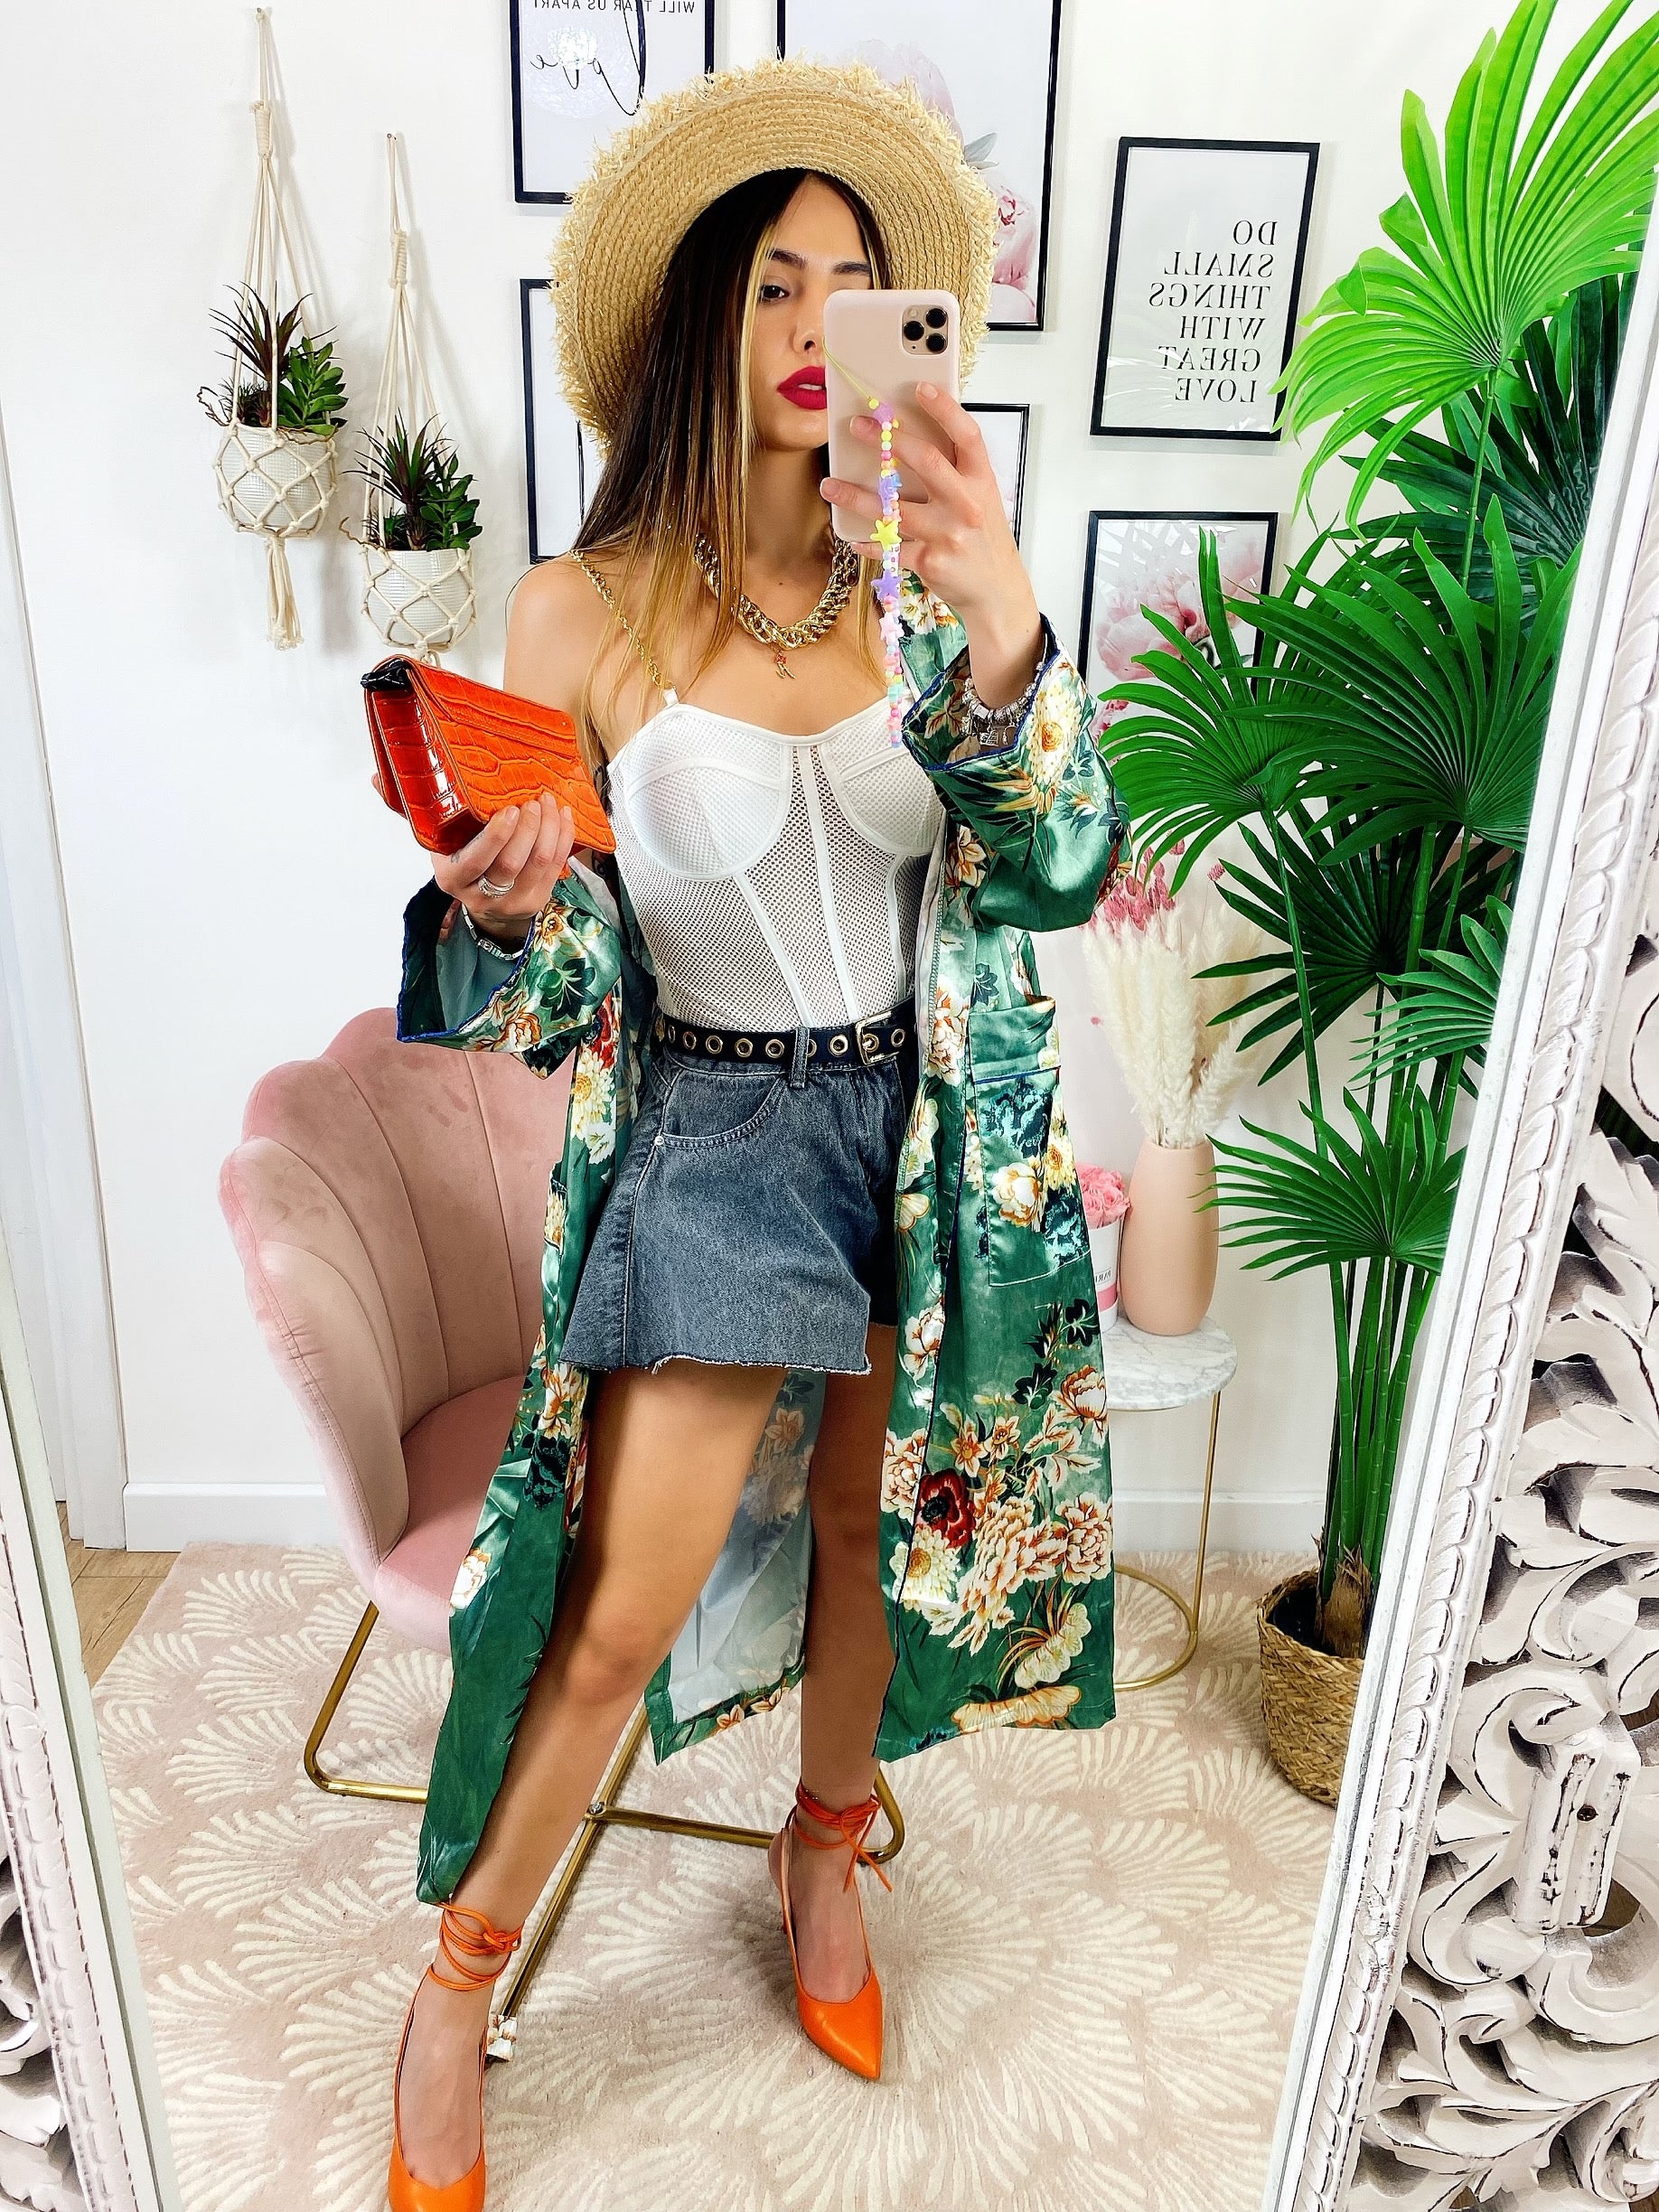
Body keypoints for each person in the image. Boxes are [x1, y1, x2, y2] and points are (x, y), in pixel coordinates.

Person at [386, 56, 1127, 2212]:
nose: (820, 326)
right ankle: (458, 1981)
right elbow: (555, 989)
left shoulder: (929, 585)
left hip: (932, 1137)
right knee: (625, 1607)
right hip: (715, 1132)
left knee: (877, 1533)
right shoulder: (581, 610)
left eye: (858, 288)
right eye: (778, 283)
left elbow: (1060, 868)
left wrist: (1005, 615)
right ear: (704, 314)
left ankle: (821, 1857)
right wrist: (501, 906)